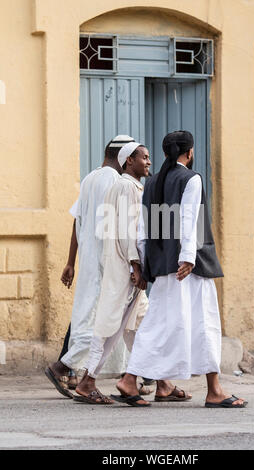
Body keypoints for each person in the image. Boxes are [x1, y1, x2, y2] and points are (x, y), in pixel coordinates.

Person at [117, 130, 248, 408]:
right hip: (189, 268)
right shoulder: (192, 178)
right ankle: (213, 390)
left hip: (163, 269)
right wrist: (188, 257)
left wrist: (142, 264)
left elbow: (142, 228)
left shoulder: (151, 183)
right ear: (188, 153)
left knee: (162, 325)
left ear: (166, 154)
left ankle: (142, 382)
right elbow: (190, 220)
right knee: (204, 324)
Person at [74, 142, 192, 405]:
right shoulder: (127, 186)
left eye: (150, 158)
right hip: (126, 271)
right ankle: (87, 382)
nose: (149, 162)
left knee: (139, 326)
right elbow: (129, 230)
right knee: (109, 327)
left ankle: (163, 383)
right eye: (144, 158)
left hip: (125, 268)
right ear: (129, 161)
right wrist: (135, 266)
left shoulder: (127, 185)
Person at [45, 135, 135, 398]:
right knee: (99, 323)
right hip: (105, 265)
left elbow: (77, 221)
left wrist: (70, 262)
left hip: (88, 263)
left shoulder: (90, 178)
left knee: (96, 319)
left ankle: (140, 375)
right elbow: (117, 227)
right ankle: (63, 366)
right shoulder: (116, 182)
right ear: (123, 158)